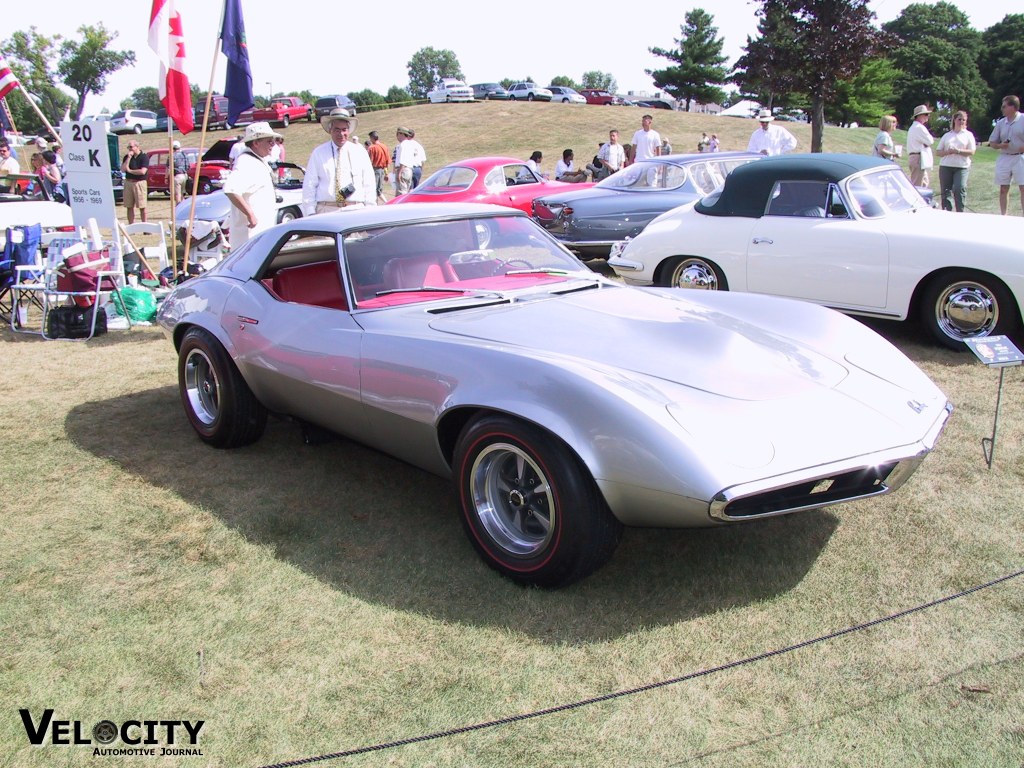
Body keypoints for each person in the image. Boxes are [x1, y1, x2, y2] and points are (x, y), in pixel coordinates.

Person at [301, 108, 375, 215]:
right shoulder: (318, 153)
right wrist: (310, 212)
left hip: (356, 210)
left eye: (344, 129)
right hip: (326, 210)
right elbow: (310, 185)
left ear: (348, 130)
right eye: (337, 130)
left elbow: (369, 183)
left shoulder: (360, 152)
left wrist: (370, 211)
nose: (341, 134)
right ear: (330, 130)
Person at [222, 122, 281, 249]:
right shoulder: (246, 162)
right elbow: (230, 189)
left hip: (260, 234)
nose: (273, 144)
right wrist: (250, 215)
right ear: (256, 143)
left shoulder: (257, 160)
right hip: (250, 238)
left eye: (273, 140)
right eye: (269, 141)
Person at [988, 95, 1024, 216]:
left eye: (1004, 106)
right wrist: (1000, 146)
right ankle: (1004, 216)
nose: (1002, 109)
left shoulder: (1023, 119)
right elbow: (992, 142)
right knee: (1003, 188)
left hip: (1020, 157)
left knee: (1023, 188)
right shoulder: (1000, 123)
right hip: (1005, 157)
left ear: (1013, 107)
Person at [935, 111, 976, 212]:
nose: (961, 121)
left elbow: (972, 151)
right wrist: (948, 152)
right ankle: (947, 210)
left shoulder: (968, 135)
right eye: (959, 119)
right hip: (946, 166)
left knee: (959, 188)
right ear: (954, 120)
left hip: (962, 166)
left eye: (964, 120)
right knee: (946, 190)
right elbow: (938, 152)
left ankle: (960, 211)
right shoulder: (947, 135)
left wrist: (958, 151)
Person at [121, 139, 150, 224]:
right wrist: (129, 158)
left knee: (142, 206)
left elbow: (142, 171)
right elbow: (123, 169)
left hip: (139, 183)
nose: (129, 149)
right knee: (129, 206)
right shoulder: (127, 157)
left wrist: (130, 171)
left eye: (131, 147)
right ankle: (131, 225)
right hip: (128, 183)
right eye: (128, 147)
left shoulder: (144, 157)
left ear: (137, 147)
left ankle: (145, 225)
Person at [906, 104, 935, 188]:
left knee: (924, 183)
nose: (928, 116)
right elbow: (930, 141)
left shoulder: (913, 127)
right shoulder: (919, 127)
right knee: (917, 185)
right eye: (926, 114)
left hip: (916, 158)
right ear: (919, 116)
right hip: (918, 158)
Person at [366, 130, 390, 204]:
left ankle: (375, 204)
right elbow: (387, 161)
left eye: (370, 138)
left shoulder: (372, 148)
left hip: (375, 170)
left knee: (373, 189)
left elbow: (369, 161)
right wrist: (386, 173)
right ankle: (385, 203)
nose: (370, 140)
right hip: (382, 170)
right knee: (379, 190)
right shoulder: (384, 146)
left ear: (372, 138)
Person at [394, 126, 416, 194]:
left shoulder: (402, 145)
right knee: (406, 190)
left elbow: (402, 159)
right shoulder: (411, 144)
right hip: (409, 170)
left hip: (403, 170)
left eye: (398, 134)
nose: (397, 137)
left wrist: (399, 172)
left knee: (401, 192)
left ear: (401, 134)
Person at [171, 140, 189, 205]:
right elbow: (188, 166)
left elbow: (168, 168)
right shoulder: (184, 155)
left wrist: (166, 178)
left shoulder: (172, 156)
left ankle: (178, 206)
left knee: (177, 193)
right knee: (183, 193)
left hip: (177, 176)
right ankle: (183, 205)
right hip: (184, 175)